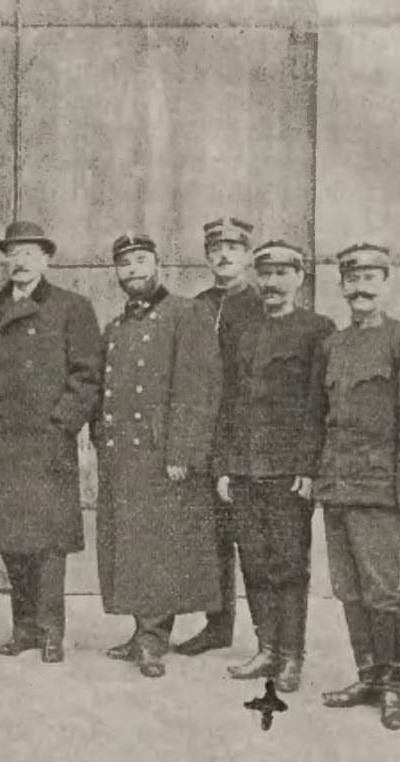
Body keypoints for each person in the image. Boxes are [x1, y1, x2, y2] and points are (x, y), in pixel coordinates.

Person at [315, 243, 400, 730]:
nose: (361, 288)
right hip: (336, 486)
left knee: (382, 591)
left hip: (380, 490)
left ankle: (392, 687)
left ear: (386, 284)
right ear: (342, 287)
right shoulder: (333, 346)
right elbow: (321, 417)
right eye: (353, 279)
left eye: (370, 278)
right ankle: (367, 676)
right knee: (347, 589)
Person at [0, 220, 102, 664]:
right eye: (13, 253)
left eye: (30, 253)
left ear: (46, 259)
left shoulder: (71, 308)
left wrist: (61, 424)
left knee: (47, 544)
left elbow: (87, 375)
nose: (20, 261)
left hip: (46, 442)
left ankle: (50, 632)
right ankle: (23, 628)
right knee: (10, 540)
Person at [94, 233, 222, 678]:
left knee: (159, 546)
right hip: (122, 453)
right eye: (125, 263)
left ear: (158, 265)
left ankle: (153, 639)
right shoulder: (117, 326)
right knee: (131, 545)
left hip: (162, 453)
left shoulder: (186, 313)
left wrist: (182, 449)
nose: (133, 270)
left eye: (140, 260)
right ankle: (141, 631)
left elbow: (198, 387)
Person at [216, 241, 334, 691]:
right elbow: (229, 401)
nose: (272, 282)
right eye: (265, 273)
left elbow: (318, 405)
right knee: (254, 562)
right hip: (245, 468)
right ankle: (266, 648)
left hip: (287, 471)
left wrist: (308, 466)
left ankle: (291, 656)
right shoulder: (244, 331)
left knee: (288, 564)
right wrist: (225, 466)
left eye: (282, 273)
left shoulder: (317, 330)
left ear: (300, 278)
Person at [173, 216, 253, 657]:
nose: (224, 255)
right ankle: (218, 625)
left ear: (247, 255)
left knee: (253, 541)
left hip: (246, 436)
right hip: (205, 434)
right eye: (216, 249)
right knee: (213, 538)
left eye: (233, 248)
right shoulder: (197, 306)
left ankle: (270, 639)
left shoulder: (260, 304)